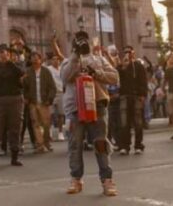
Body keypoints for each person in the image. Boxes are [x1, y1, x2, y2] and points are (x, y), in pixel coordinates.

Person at [61, 32, 120, 197]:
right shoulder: (68, 61)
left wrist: (96, 73)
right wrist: (75, 56)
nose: (82, 44)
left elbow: (115, 77)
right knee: (75, 145)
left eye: (84, 40)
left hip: (97, 106)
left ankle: (107, 180)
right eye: (78, 41)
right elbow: (65, 78)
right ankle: (76, 179)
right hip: (75, 108)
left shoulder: (99, 59)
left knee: (100, 143)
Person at [23, 51, 55, 153]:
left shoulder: (46, 71)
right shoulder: (28, 72)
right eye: (33, 58)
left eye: (37, 58)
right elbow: (24, 87)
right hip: (33, 102)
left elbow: (52, 87)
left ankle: (46, 142)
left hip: (44, 102)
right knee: (35, 124)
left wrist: (49, 99)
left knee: (46, 124)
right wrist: (26, 97)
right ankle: (39, 144)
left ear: (40, 60)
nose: (35, 60)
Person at [116, 45, 147, 155]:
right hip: (125, 96)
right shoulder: (121, 67)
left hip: (136, 95)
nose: (128, 54)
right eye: (125, 52)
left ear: (133, 53)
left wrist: (143, 95)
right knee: (124, 123)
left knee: (138, 122)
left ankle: (138, 145)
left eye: (129, 52)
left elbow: (143, 80)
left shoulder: (138, 66)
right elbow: (117, 78)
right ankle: (125, 146)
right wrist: (123, 66)